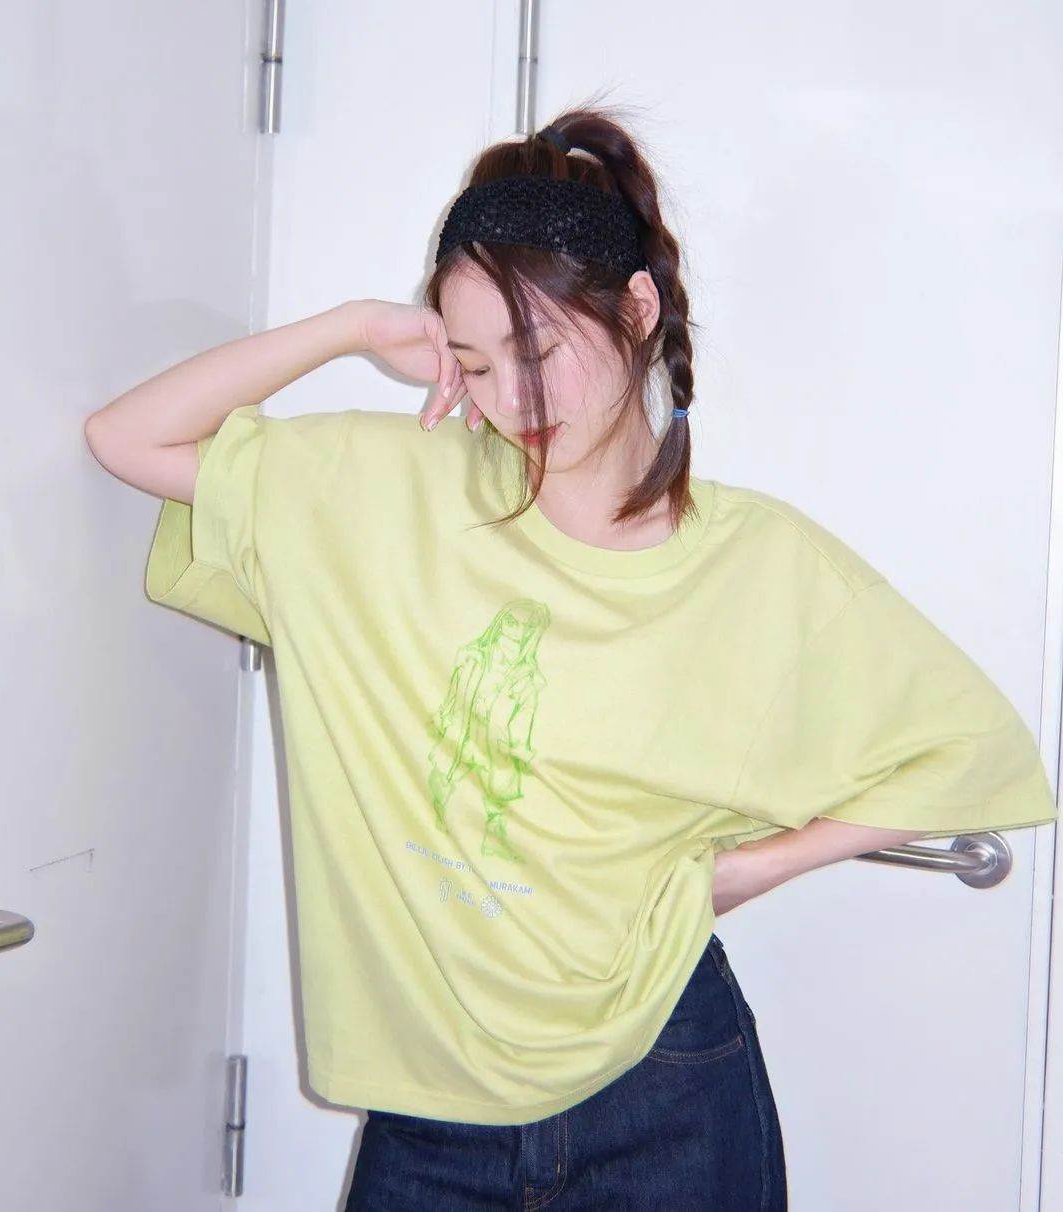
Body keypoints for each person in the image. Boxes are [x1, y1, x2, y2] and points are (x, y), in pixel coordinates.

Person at [84, 104, 1058, 1210]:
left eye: (537, 351)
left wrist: (749, 869)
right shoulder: (376, 492)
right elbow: (128, 436)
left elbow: (969, 750)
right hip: (429, 1113)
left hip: (667, 1088)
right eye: (472, 363)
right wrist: (352, 328)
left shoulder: (759, 564)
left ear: (637, 310)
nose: (512, 401)